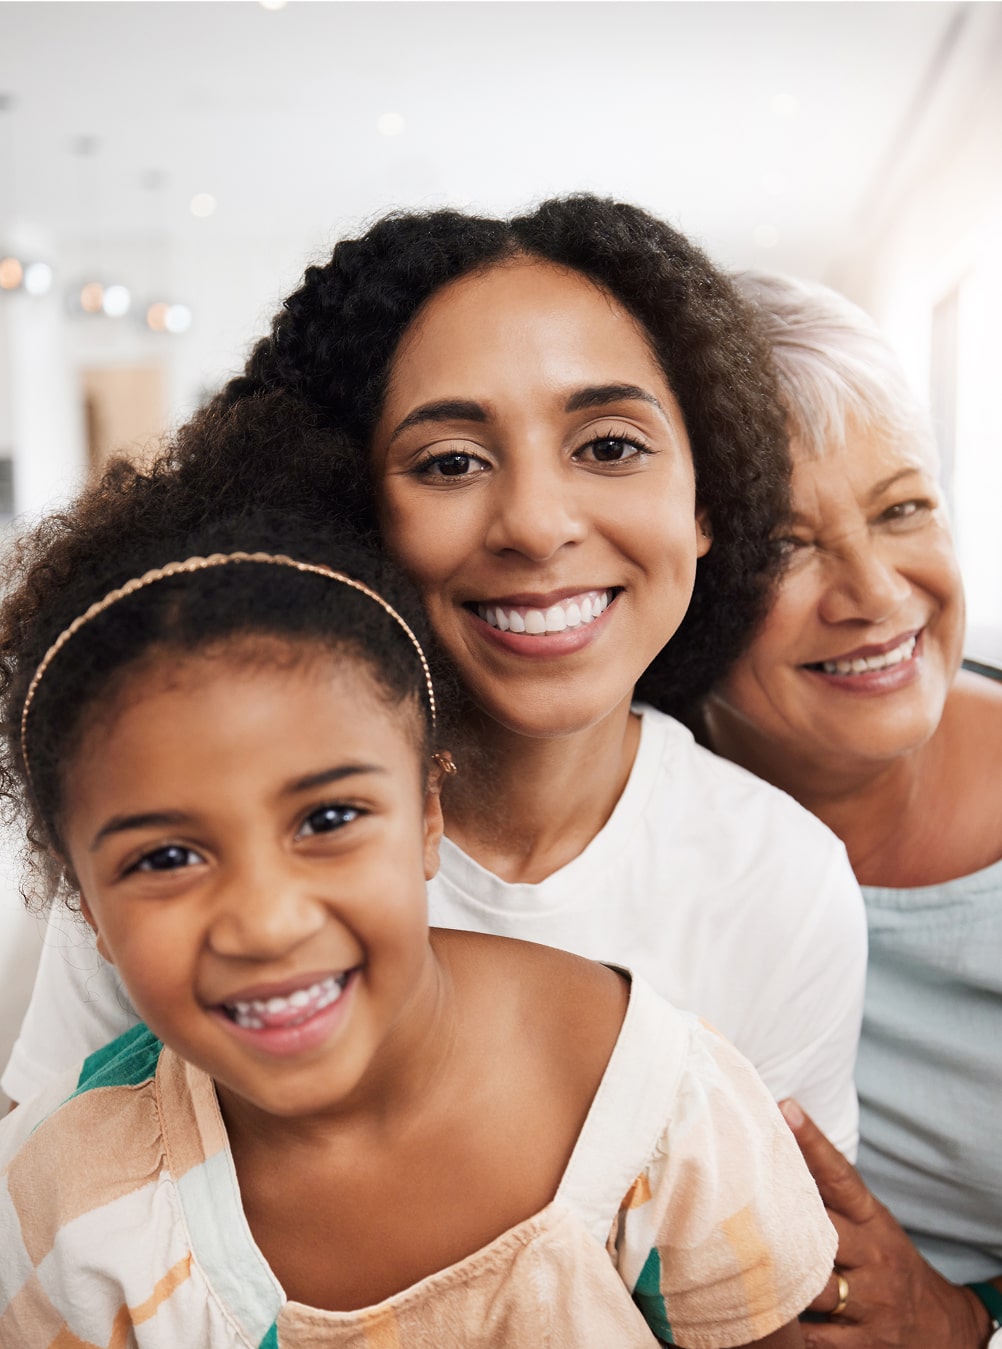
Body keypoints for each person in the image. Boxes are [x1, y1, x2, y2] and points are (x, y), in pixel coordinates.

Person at [3, 197, 867, 1161]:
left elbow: (783, 1244)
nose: (535, 524)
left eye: (610, 446)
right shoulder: (186, 822)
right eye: (450, 462)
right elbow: (41, 1193)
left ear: (705, 500)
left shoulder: (781, 884)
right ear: (351, 512)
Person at [0, 457, 835, 1347]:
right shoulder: (66, 1206)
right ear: (85, 905)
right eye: (167, 857)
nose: (267, 923)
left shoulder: (660, 1109)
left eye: (328, 818)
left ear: (429, 812)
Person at [700, 271, 1002, 1346]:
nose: (875, 592)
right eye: (782, 546)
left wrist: (965, 1321)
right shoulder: (637, 821)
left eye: (902, 507)